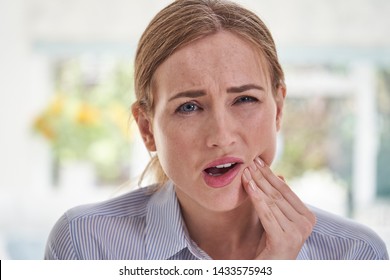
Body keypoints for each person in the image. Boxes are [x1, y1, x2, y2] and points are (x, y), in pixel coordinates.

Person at [44, 0, 388, 260]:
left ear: (279, 108)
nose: (222, 137)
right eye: (189, 107)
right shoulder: (85, 243)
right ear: (147, 129)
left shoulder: (356, 254)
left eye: (245, 100)